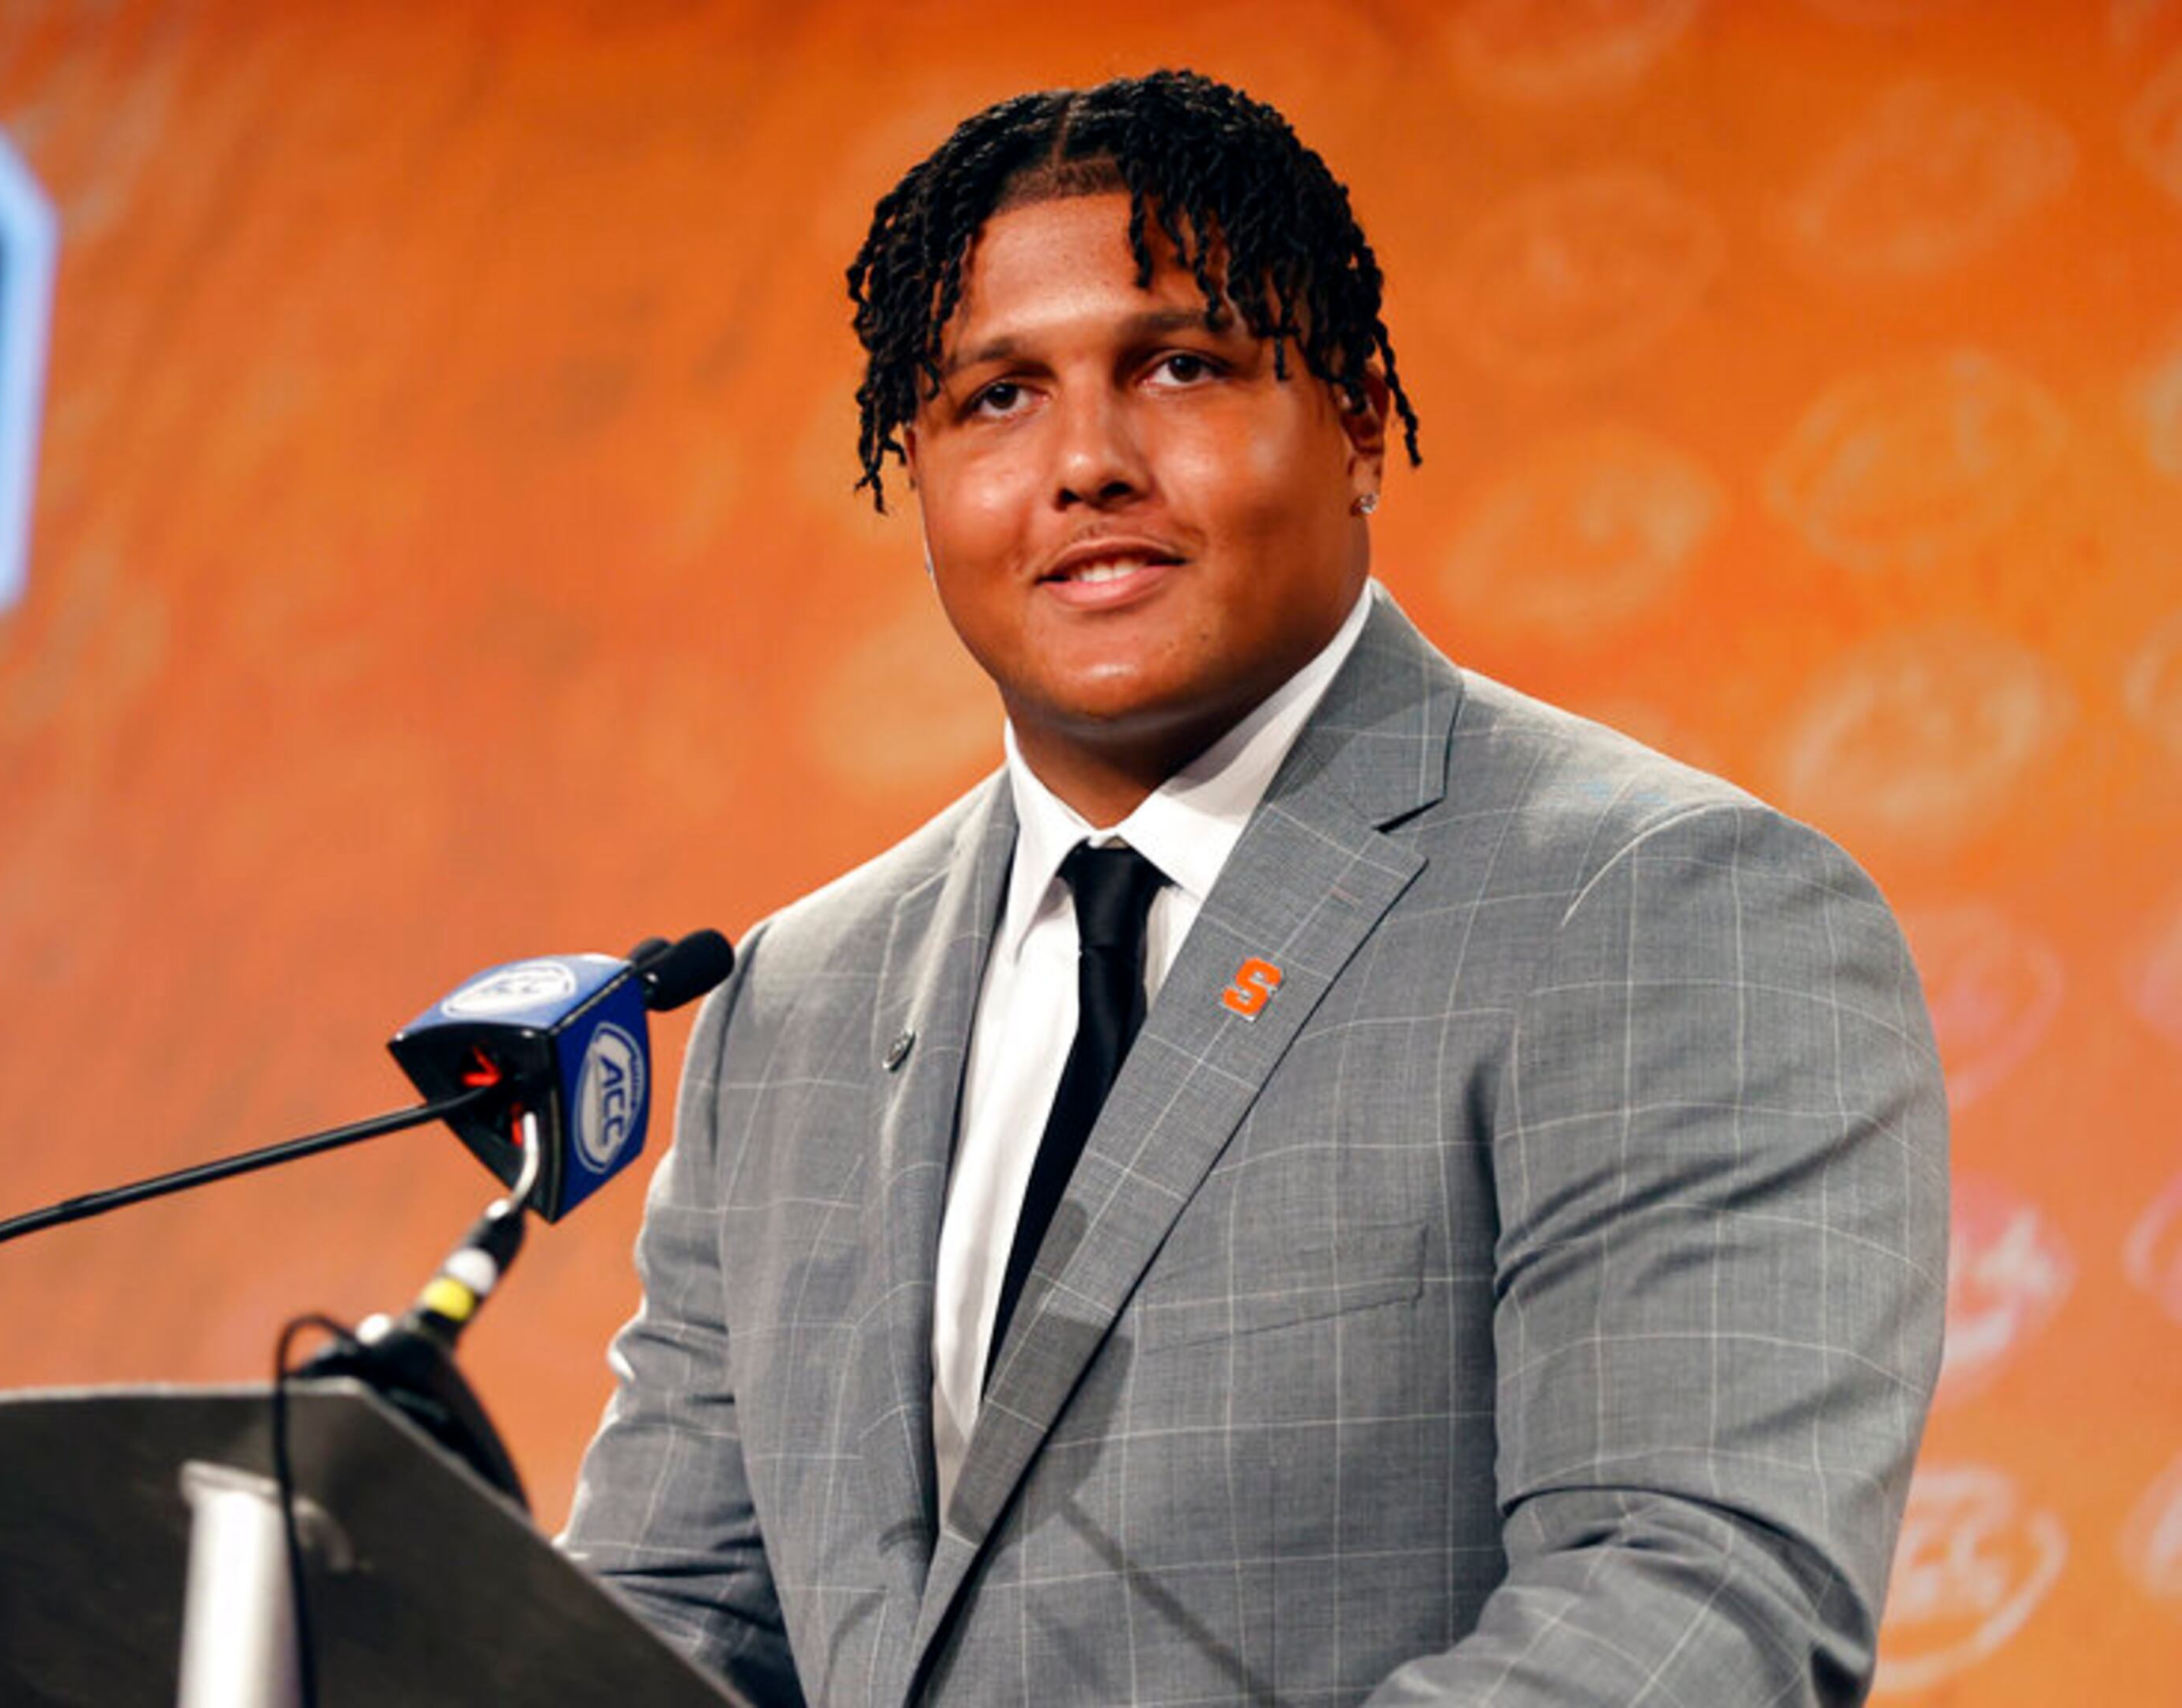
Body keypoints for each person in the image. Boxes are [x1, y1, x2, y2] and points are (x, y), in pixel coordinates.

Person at [562, 69, 1947, 1706]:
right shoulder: (793, 1004)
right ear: (916, 476)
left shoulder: (1671, 912)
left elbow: (1690, 1611)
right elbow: (669, 1626)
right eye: (996, 397)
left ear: (1359, 419)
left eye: (1179, 365)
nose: (1085, 462)